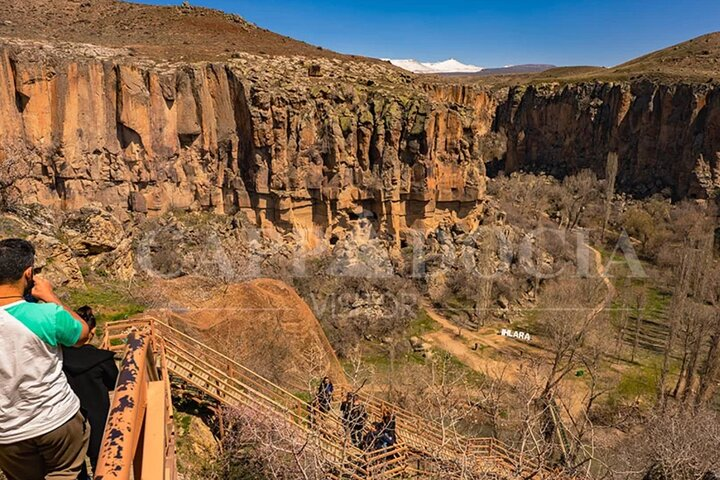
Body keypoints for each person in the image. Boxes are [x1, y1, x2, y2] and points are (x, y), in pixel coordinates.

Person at [0, 239, 91, 480]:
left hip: (8, 435)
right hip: (57, 422)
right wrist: (51, 296)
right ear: (28, 273)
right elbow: (82, 334)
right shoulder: (47, 315)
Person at [62, 306, 119, 479]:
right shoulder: (102, 359)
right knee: (99, 462)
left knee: (76, 467)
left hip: (68, 420)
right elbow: (114, 382)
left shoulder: (57, 356)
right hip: (98, 417)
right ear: (91, 331)